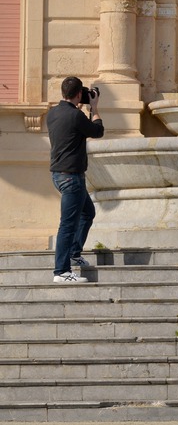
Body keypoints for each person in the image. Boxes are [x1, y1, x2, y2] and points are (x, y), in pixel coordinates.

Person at [47, 76, 104, 283]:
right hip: (72, 178)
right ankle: (61, 272)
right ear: (79, 94)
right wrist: (94, 108)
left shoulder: (53, 113)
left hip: (58, 175)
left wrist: (80, 106)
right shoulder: (76, 116)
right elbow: (97, 131)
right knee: (68, 225)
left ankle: (73, 252)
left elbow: (72, 131)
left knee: (87, 212)